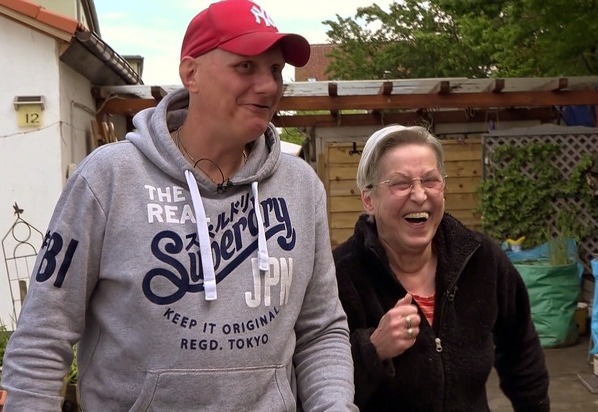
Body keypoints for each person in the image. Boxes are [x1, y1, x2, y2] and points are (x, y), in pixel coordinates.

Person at [1, 1, 357, 410]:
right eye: (246, 66)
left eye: (275, 70)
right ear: (191, 73)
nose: (268, 86)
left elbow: (321, 330)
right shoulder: (109, 178)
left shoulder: (301, 187)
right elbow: (43, 334)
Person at [333, 124, 550, 411]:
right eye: (401, 183)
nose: (419, 195)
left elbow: (522, 352)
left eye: (430, 180)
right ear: (369, 200)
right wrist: (373, 349)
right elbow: (317, 385)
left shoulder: (481, 259)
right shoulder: (340, 276)